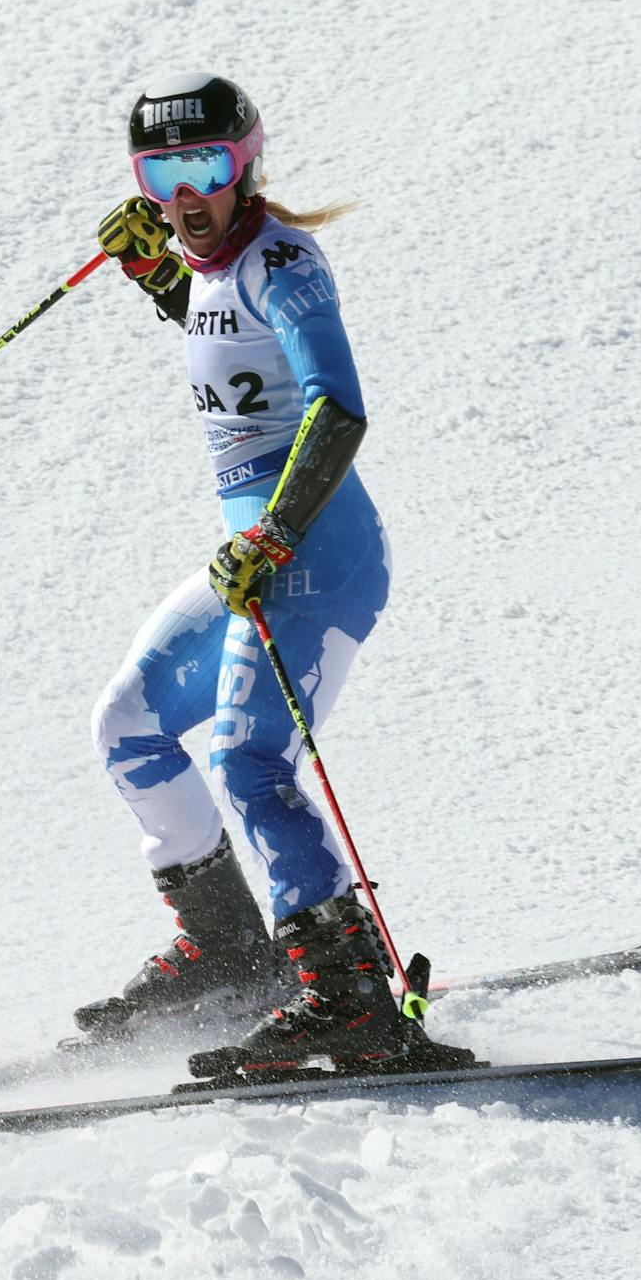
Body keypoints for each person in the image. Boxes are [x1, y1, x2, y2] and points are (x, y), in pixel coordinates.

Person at [77, 74, 410, 1072]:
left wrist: (270, 539)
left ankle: (349, 999)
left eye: (205, 166)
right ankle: (229, 952)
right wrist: (157, 282)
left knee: (247, 759)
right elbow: (229, 347)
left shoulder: (284, 262)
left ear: (247, 164)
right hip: (253, 560)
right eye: (160, 171)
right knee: (128, 725)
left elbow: (336, 408)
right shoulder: (217, 273)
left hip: (313, 553)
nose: (183, 193)